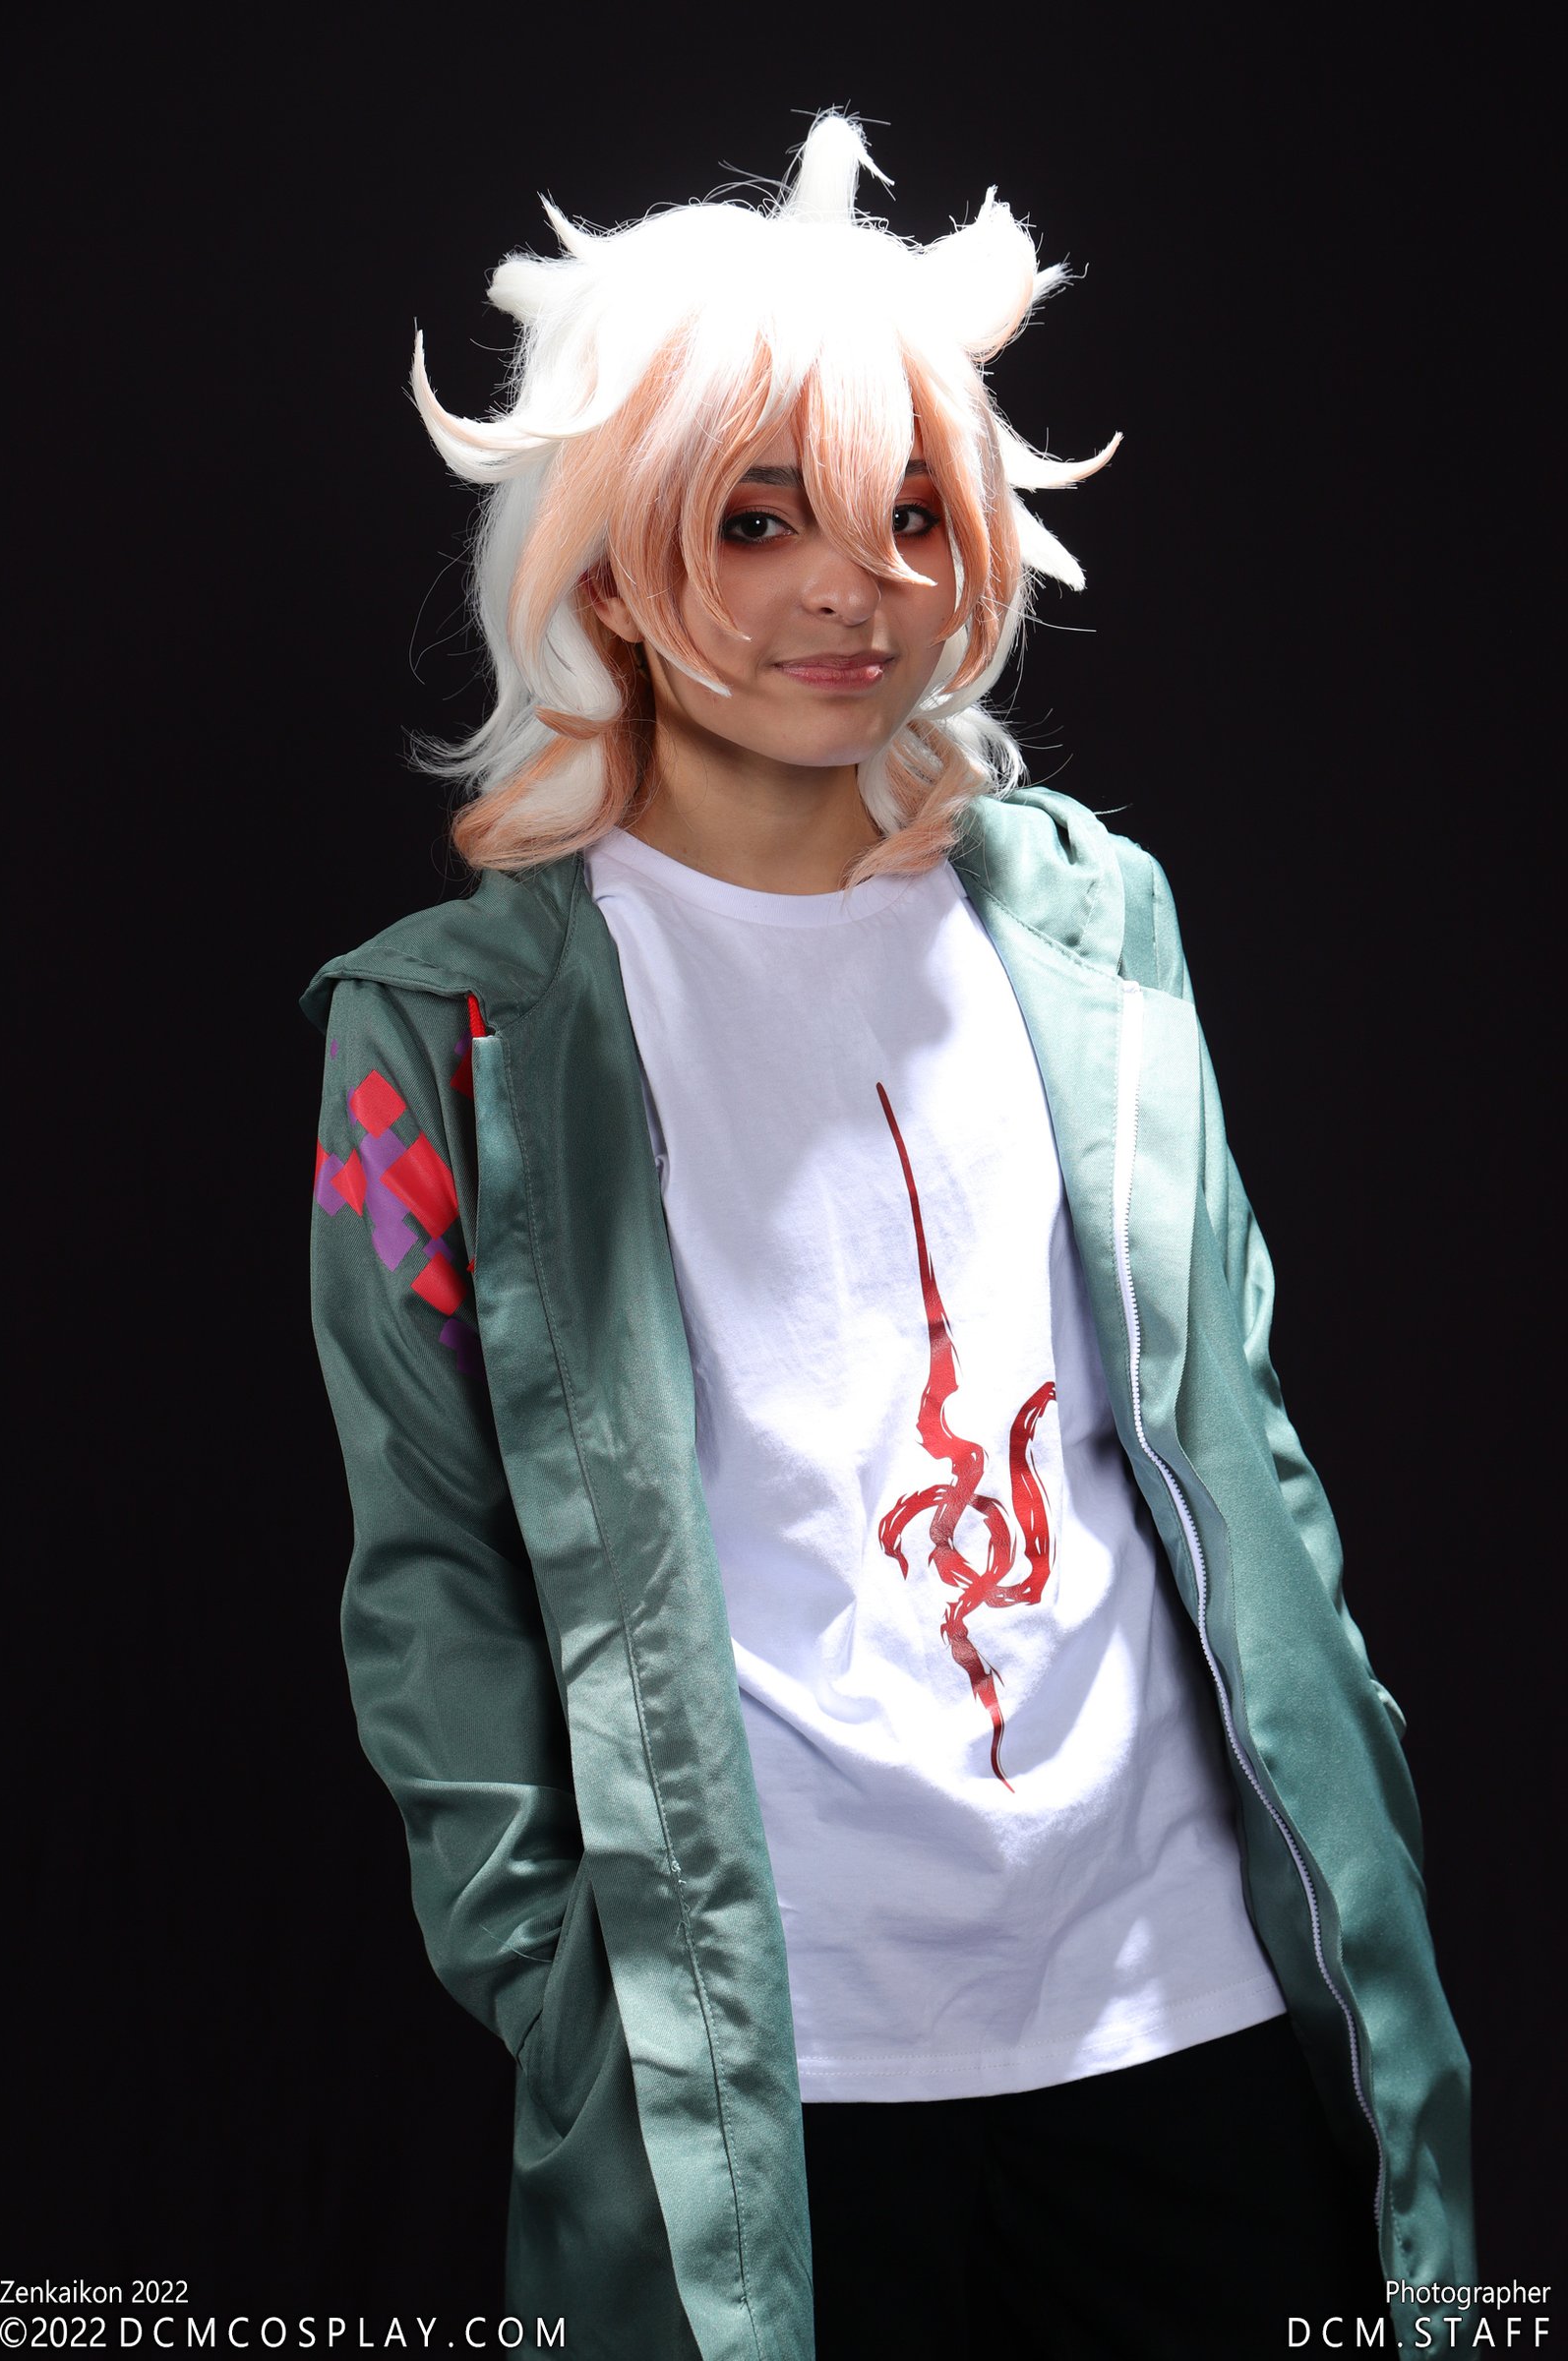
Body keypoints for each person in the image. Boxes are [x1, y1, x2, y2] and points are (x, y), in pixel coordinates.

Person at [305, 112, 1473, 2359]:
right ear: (610, 574)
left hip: (1184, 2004)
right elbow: (427, 1578)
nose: (852, 587)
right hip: (775, 2065)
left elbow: (1236, 1432)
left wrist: (1355, 1806)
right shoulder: (444, 1040)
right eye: (757, 521)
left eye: (912, 515)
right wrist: (565, 1994)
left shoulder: (1093, 924)